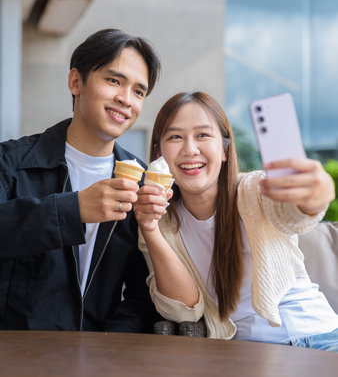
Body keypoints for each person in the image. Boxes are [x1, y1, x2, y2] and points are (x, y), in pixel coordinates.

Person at [134, 91, 338, 351]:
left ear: (225, 151)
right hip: (248, 354)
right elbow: (184, 309)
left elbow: (292, 216)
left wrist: (315, 197)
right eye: (175, 137)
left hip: (321, 337)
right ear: (158, 152)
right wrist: (150, 229)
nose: (190, 149)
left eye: (203, 135)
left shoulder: (253, 188)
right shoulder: (157, 218)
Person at [0, 28, 161, 332]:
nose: (126, 99)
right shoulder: (10, 162)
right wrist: (72, 210)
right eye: (114, 80)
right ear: (76, 81)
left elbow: (144, 296)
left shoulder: (141, 184)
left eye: (139, 91)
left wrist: (107, 350)